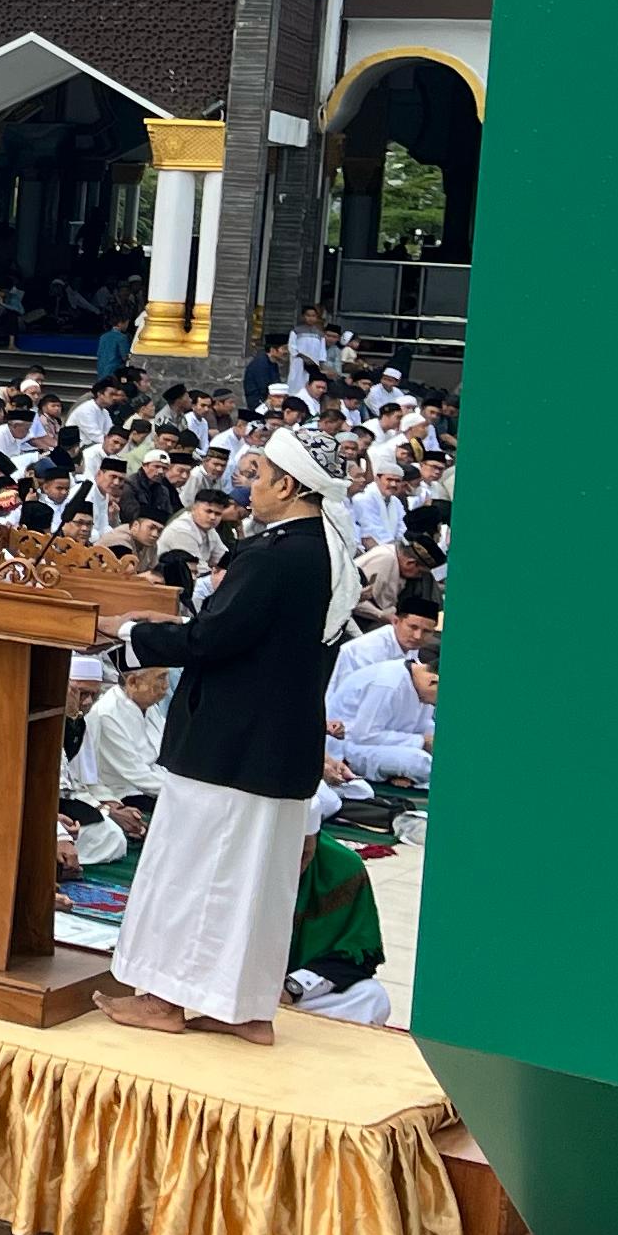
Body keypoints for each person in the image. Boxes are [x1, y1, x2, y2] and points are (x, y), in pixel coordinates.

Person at [101, 428, 357, 1043]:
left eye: (260, 474)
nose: (251, 484)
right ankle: (240, 1007)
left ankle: (163, 999)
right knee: (255, 880)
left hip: (230, 743)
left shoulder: (272, 554)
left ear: (289, 485)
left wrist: (130, 635)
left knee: (195, 867)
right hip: (282, 742)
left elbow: (213, 639)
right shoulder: (327, 551)